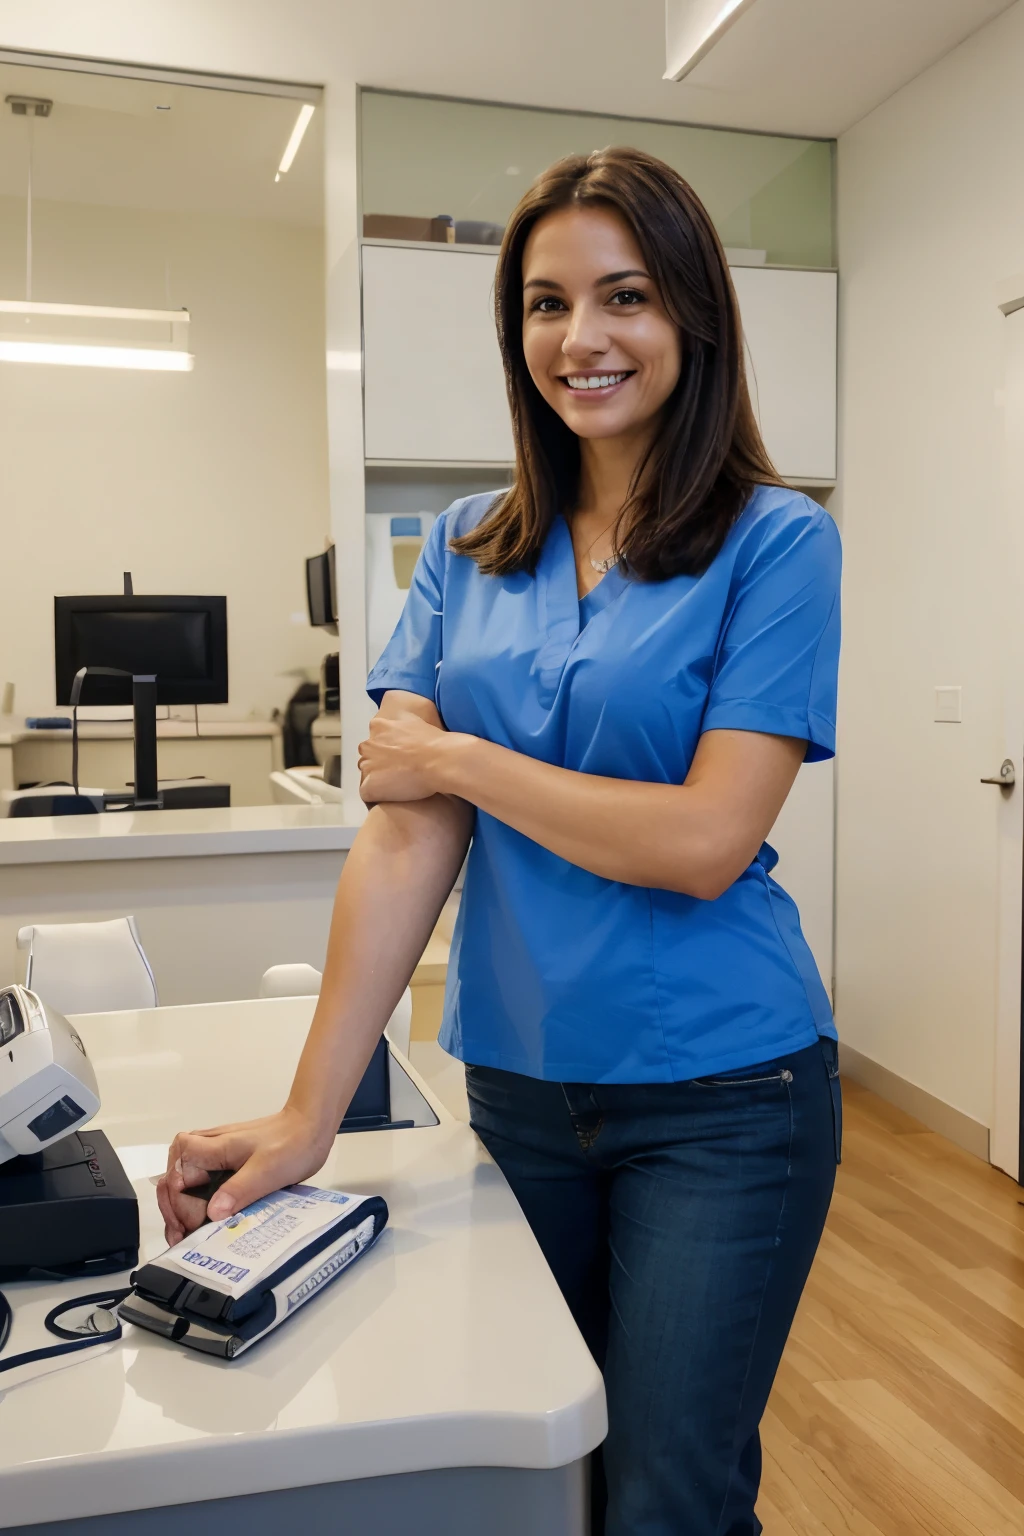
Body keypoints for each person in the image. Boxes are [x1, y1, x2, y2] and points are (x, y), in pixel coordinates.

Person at [159, 146, 842, 1536]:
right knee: (544, 1470)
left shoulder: (778, 544)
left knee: (669, 1494)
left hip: (724, 1094)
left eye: (624, 296)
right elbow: (406, 842)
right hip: (521, 1084)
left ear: (693, 316)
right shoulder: (472, 544)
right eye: (544, 303)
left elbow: (707, 838)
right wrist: (307, 1119)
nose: (580, 339)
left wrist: (465, 756)